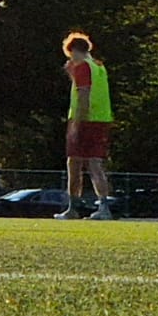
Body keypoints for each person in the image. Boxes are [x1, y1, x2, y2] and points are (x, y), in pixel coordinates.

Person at [56, 32, 114, 220]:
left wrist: (76, 124)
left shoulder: (82, 67)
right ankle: (104, 206)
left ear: (73, 50)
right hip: (102, 118)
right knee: (95, 163)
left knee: (74, 162)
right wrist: (72, 75)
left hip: (85, 119)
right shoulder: (98, 66)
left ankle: (73, 207)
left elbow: (83, 95)